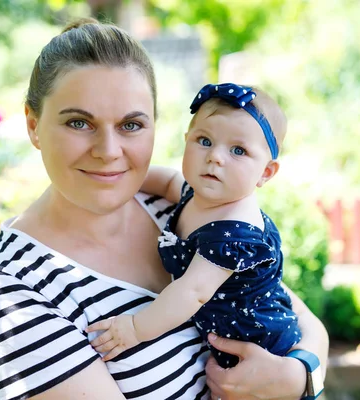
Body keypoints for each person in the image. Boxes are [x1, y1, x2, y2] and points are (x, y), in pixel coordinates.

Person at [0, 18, 329, 400]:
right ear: (34, 124)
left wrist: (298, 379)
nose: (108, 151)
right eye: (79, 122)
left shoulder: (176, 208)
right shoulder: (11, 287)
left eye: (131, 126)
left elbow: (305, 322)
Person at [86, 83, 302, 370]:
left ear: (265, 172)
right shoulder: (199, 192)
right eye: (204, 141)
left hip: (259, 347)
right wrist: (124, 176)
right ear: (186, 139)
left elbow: (192, 292)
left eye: (238, 150)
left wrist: (135, 329)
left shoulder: (235, 233)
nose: (215, 156)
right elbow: (167, 182)